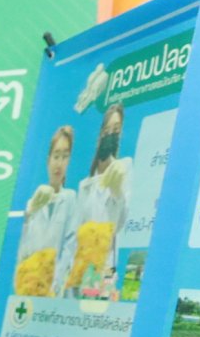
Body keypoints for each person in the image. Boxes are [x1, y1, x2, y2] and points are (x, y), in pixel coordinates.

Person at [58, 103, 130, 300]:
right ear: (100, 134)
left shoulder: (123, 171)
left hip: (104, 265)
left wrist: (117, 192)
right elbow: (74, 234)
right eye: (107, 130)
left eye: (116, 130)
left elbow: (121, 221)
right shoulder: (85, 185)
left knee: (96, 310)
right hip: (79, 267)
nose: (111, 134)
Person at [14, 125, 76, 298]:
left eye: (65, 157)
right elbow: (21, 253)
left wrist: (54, 285)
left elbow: (69, 248)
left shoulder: (70, 198)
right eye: (56, 156)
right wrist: (28, 215)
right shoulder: (33, 203)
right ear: (48, 159)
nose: (59, 163)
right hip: (29, 288)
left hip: (54, 291)